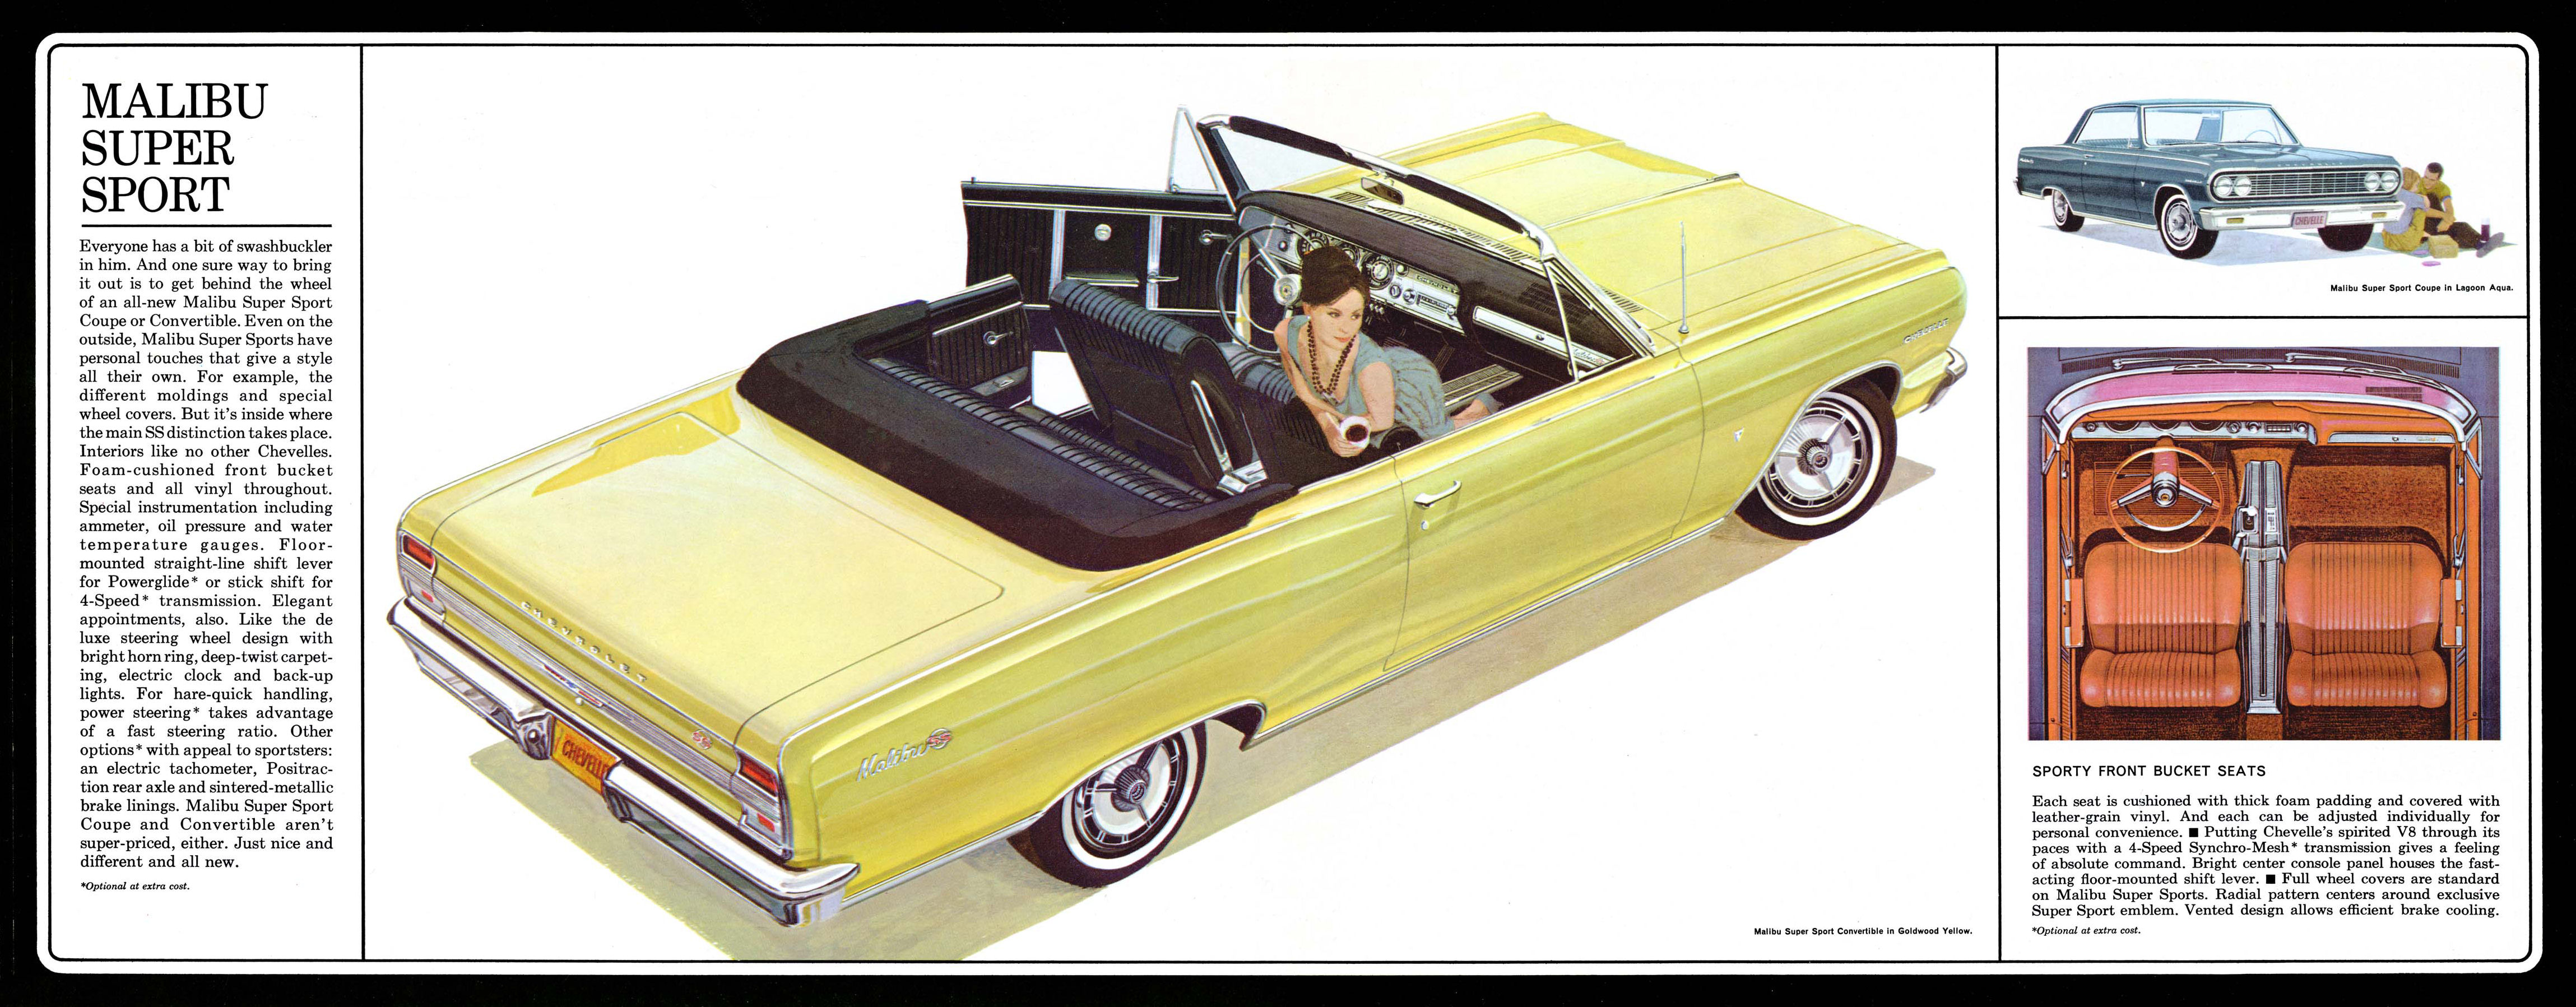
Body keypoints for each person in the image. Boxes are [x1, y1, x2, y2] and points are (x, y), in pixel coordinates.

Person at [1270, 245, 1495, 458]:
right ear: (1308, 308)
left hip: (1407, 385)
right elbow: (1306, 395)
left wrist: (1340, 431)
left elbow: (1383, 421)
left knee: (1436, 435)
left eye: (1355, 316)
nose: (1346, 329)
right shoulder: (1285, 333)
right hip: (1373, 392)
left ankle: (1483, 407)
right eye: (1334, 315)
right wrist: (1329, 429)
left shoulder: (1373, 368)